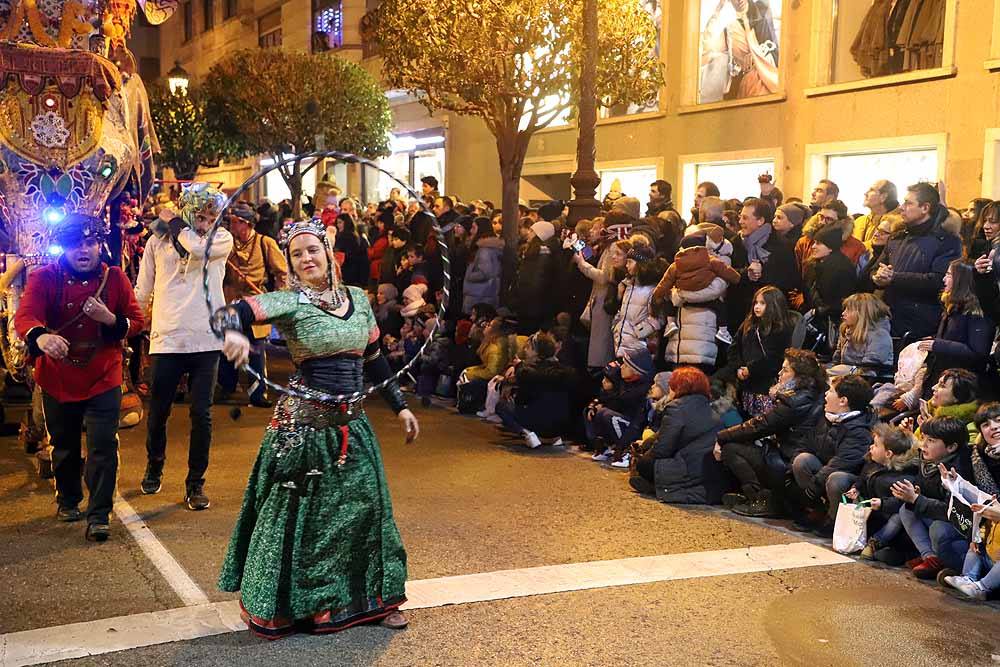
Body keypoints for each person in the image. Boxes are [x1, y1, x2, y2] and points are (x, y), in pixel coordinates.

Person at [215, 218, 419, 637]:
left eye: (313, 250)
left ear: (328, 253)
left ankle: (371, 602)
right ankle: (307, 605)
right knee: (306, 521)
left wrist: (399, 407)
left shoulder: (359, 301)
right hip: (304, 429)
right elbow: (228, 313)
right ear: (290, 264)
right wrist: (233, 336)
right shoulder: (288, 302)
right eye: (297, 254)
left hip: (352, 422)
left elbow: (376, 357)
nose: (307, 258)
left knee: (366, 513)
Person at [14, 215, 144, 541]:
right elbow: (25, 315)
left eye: (89, 243)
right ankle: (69, 498)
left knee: (102, 445)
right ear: (64, 247)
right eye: (75, 244)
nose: (83, 250)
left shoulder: (114, 278)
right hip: (58, 375)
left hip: (103, 372)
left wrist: (110, 318)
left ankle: (99, 514)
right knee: (65, 445)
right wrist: (41, 337)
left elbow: (137, 321)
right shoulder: (45, 277)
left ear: (99, 245)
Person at [135, 186, 234, 509]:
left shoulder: (220, 240)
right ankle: (155, 463)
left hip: (207, 339)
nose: (206, 223)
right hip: (167, 338)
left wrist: (176, 223)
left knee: (201, 414)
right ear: (189, 211)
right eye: (200, 216)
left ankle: (195, 484)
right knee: (159, 412)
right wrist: (128, 324)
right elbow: (142, 289)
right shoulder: (156, 243)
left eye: (211, 217)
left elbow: (194, 246)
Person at [715, 349, 827, 517]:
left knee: (731, 448)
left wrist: (721, 437)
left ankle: (763, 500)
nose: (780, 374)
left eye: (786, 370)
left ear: (799, 377)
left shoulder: (794, 400)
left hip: (787, 461)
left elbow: (759, 425)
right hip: (791, 455)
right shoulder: (813, 393)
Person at [867, 182, 962, 338]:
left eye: (908, 203)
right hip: (888, 317)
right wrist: (877, 277)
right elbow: (875, 269)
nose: (901, 208)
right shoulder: (897, 237)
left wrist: (893, 278)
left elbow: (938, 281)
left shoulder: (947, 241)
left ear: (925, 208)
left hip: (921, 323)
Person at [220, 202, 288, 408]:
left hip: (255, 301)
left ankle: (257, 394)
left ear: (247, 223)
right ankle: (226, 388)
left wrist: (279, 300)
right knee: (228, 347)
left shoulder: (264, 242)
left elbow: (282, 273)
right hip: (230, 300)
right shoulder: (226, 243)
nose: (231, 225)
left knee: (256, 350)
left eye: (235, 222)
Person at [790, 374, 877, 535]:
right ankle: (817, 511)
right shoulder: (827, 417)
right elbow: (806, 443)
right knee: (802, 460)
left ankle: (833, 519)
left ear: (843, 401)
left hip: (851, 481)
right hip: (825, 471)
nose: (825, 395)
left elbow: (842, 463)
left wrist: (813, 487)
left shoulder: (860, 430)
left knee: (836, 478)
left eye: (830, 391)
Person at [628, 367, 725, 504]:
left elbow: (662, 449)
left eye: (671, 386)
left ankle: (656, 484)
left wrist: (643, 458)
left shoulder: (676, 407)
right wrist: (645, 445)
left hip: (687, 470)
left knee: (644, 464)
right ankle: (654, 484)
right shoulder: (711, 408)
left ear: (679, 387)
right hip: (708, 471)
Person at [896, 416, 973, 578]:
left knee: (938, 529)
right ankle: (930, 558)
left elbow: (953, 512)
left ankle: (957, 567)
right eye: (923, 438)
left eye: (930, 440)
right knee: (906, 510)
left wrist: (917, 499)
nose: (923, 445)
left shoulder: (959, 468)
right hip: (939, 515)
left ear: (951, 447)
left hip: (962, 529)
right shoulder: (929, 461)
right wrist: (912, 495)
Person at [940, 403, 1000, 600]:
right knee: (974, 538)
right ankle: (968, 579)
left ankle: (982, 587)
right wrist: (956, 486)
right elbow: (980, 500)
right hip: (993, 533)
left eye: (998, 421)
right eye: (985, 424)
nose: (993, 427)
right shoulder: (978, 457)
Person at [847, 424, 920, 563]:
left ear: (888, 454)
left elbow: (900, 502)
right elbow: (863, 477)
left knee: (899, 515)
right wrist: (856, 487)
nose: (871, 447)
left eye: (875, 445)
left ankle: (877, 543)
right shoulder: (875, 462)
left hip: (894, 526)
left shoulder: (905, 476)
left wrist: (882, 504)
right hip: (875, 516)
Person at [718, 285, 794, 416]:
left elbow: (774, 357)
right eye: (756, 303)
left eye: (762, 303)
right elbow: (734, 348)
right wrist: (738, 367)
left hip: (765, 386)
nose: (757, 307)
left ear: (773, 305)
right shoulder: (748, 324)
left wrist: (751, 369)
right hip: (745, 385)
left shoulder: (781, 329)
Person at [727, 198, 799, 332]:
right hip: (738, 314)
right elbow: (727, 272)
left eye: (745, 218)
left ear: (760, 221)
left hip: (770, 317)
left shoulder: (782, 245)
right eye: (740, 217)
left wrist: (763, 272)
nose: (740, 222)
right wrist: (746, 273)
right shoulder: (734, 244)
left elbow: (789, 278)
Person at [494, 332, 576, 448]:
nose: (525, 350)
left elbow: (522, 399)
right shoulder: (565, 370)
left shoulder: (527, 372)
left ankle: (526, 433)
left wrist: (518, 369)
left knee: (501, 406)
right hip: (561, 424)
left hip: (538, 421)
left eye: (528, 347)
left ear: (537, 351)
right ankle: (554, 438)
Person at [574, 237, 630, 370]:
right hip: (602, 307)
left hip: (625, 329)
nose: (614, 257)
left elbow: (602, 276)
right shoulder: (602, 246)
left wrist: (581, 263)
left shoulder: (626, 278)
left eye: (618, 255)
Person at [611, 243, 663, 355]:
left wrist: (638, 332)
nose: (626, 265)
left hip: (639, 348)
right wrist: (617, 324)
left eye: (630, 262)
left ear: (640, 264)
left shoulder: (653, 289)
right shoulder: (628, 286)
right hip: (622, 344)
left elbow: (658, 318)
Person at [515, 221, 559, 334]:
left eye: (531, 231)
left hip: (533, 303)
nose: (528, 233)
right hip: (530, 301)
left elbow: (537, 279)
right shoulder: (532, 250)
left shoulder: (543, 252)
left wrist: (525, 295)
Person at [831, 293, 894, 371]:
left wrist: (843, 371)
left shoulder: (879, 335)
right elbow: (836, 359)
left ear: (863, 313)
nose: (843, 313)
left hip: (869, 378)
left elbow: (870, 368)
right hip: (847, 376)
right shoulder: (846, 331)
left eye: (849, 310)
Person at [462, 217, 504, 313]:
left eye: (473, 228)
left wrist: (469, 275)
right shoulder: (487, 248)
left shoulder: (484, 250)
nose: (471, 231)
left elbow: (485, 273)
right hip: (484, 293)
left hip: (480, 294)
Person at [853, 180, 900, 248]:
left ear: (883, 197)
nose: (865, 193)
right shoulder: (859, 221)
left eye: (871, 190)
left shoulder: (897, 226)